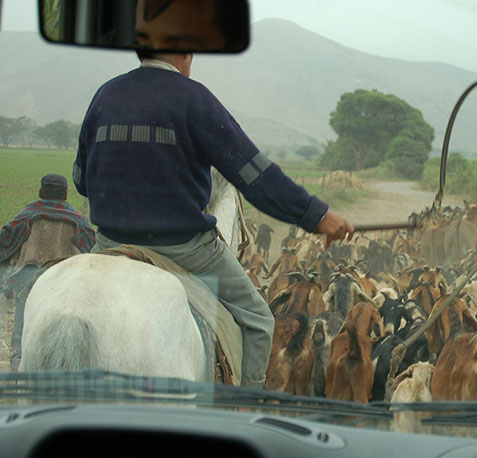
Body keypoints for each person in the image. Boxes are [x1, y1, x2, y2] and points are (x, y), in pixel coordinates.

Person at [73, 44, 354, 387]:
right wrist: (318, 216)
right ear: (187, 52)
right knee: (259, 320)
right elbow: (256, 177)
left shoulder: (105, 95)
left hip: (108, 244)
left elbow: (80, 180)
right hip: (186, 250)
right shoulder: (194, 99)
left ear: (139, 50)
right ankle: (242, 410)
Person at [0, 174, 96, 371]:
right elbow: (92, 250)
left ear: (41, 192)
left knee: (21, 342)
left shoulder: (26, 216)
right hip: (66, 285)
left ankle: (18, 382)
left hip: (29, 286)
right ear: (66, 195)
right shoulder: (78, 222)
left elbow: (6, 243)